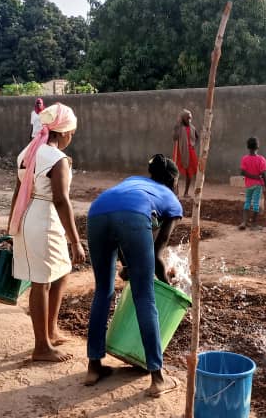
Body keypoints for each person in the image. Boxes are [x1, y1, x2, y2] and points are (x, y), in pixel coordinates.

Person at [83, 154, 183, 397]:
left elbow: (124, 233)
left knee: (103, 292)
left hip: (96, 213)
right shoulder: (171, 199)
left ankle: (93, 367)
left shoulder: (133, 181)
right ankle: (157, 377)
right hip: (131, 217)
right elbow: (157, 253)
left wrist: (130, 266)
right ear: (173, 180)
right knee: (144, 297)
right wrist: (168, 284)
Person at [8, 103, 85, 363]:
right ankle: (41, 346)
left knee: (60, 272)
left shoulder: (27, 153)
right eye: (71, 133)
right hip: (43, 218)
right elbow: (62, 200)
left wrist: (12, 226)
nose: (71, 137)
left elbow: (17, 193)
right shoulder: (56, 159)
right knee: (41, 282)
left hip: (30, 215)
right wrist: (75, 241)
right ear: (62, 132)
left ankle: (50, 331)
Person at [239, 137, 266, 230]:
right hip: (258, 185)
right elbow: (264, 174)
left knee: (247, 202)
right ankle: (254, 223)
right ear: (258, 147)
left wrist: (251, 176)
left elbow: (242, 172)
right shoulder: (261, 159)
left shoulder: (244, 159)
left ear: (248, 147)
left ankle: (244, 222)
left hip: (248, 185)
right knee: (256, 203)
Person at [171, 109, 198, 198]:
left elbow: (197, 137)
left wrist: (193, 145)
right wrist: (178, 125)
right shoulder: (178, 127)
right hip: (179, 152)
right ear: (183, 118)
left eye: (190, 118)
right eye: (187, 118)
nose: (189, 120)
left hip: (190, 152)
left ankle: (186, 192)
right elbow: (174, 137)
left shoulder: (192, 127)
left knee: (189, 173)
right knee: (175, 172)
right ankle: (175, 191)